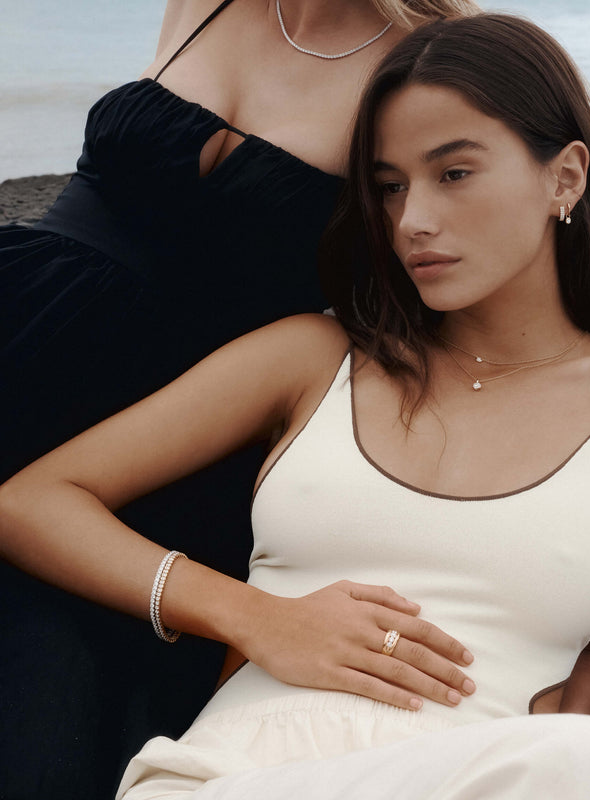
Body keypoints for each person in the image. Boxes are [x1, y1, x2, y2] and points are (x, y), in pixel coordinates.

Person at [0, 13, 590, 799]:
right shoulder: (313, 359)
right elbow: (30, 501)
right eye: (388, 188)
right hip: (235, 772)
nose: (412, 221)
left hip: (495, 773)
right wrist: (256, 617)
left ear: (565, 177)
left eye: (454, 174)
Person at [0, 1, 478, 796]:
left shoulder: (425, 60)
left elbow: (468, 260)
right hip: (23, 311)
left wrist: (586, 460)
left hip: (170, 413)